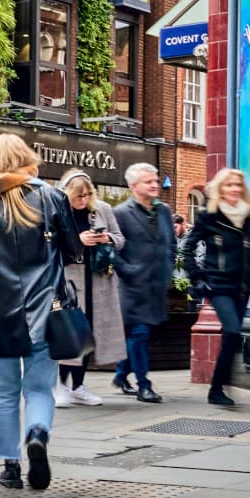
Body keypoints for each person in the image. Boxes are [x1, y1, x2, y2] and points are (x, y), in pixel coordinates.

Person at [0, 133, 83, 492]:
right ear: (27, 159)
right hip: (47, 311)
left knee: (5, 393)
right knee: (40, 388)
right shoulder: (53, 197)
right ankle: (37, 435)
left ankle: (10, 466)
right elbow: (74, 252)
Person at [182, 168, 250, 408]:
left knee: (231, 337)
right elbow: (187, 248)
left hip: (242, 285)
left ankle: (221, 386)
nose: (234, 189)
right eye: (229, 185)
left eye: (238, 185)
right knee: (233, 331)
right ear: (220, 188)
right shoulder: (209, 216)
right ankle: (216, 389)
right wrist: (197, 277)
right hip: (218, 284)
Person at [55, 169, 126, 407]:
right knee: (71, 332)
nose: (83, 200)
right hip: (69, 280)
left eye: (87, 194)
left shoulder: (102, 209)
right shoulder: (57, 211)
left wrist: (106, 238)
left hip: (97, 279)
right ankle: (61, 385)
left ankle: (78, 386)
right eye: (78, 196)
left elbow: (120, 238)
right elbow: (49, 246)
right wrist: (78, 240)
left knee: (89, 334)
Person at [110, 162, 176, 403]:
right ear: (133, 186)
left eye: (156, 181)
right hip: (132, 287)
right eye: (149, 182)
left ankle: (120, 374)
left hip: (156, 285)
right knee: (139, 334)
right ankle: (143, 385)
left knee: (141, 334)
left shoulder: (164, 211)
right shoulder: (121, 213)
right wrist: (128, 271)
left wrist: (167, 269)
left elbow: (171, 244)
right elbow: (111, 249)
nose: (155, 185)